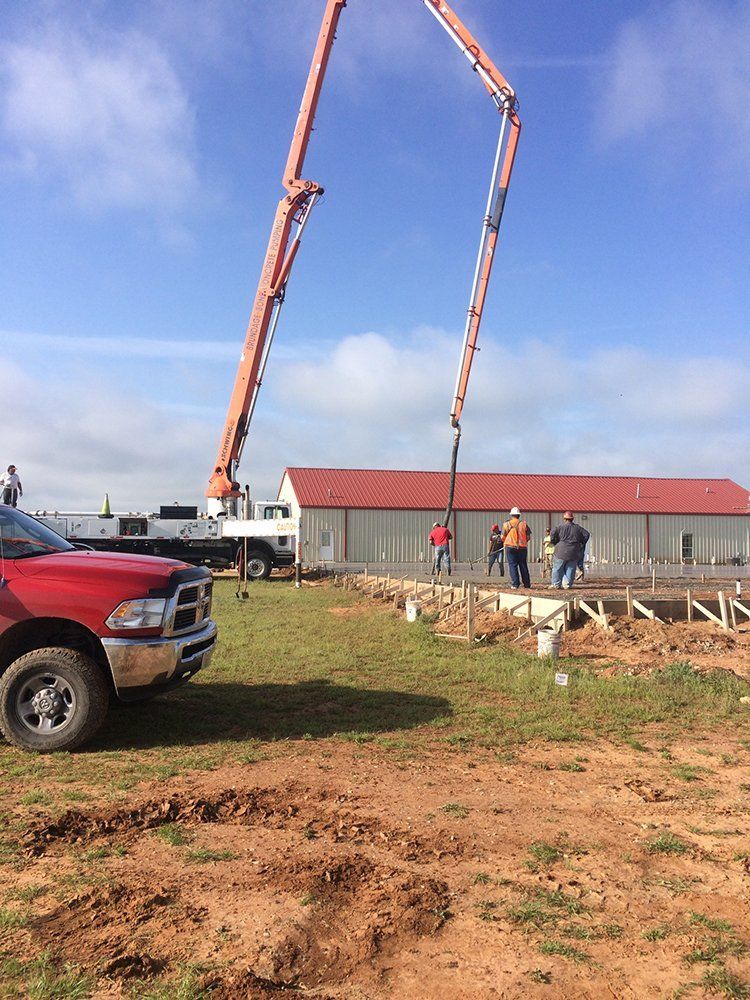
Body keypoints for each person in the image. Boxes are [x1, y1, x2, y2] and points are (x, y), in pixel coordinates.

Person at [550, 511, 590, 590]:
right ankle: (567, 585)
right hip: (573, 551)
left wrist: (555, 542)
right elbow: (587, 534)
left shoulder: (559, 527)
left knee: (557, 568)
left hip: (560, 551)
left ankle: (556, 584)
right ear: (572, 519)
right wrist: (581, 543)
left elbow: (552, 535)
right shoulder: (578, 528)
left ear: (564, 519)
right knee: (570, 569)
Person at [501, 507, 532, 589]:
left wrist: (507, 542)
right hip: (522, 548)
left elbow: (502, 537)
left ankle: (515, 584)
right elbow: (528, 537)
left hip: (510, 547)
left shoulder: (506, 524)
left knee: (513, 565)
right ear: (519, 515)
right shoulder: (524, 524)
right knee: (523, 565)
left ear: (511, 515)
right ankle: (527, 584)